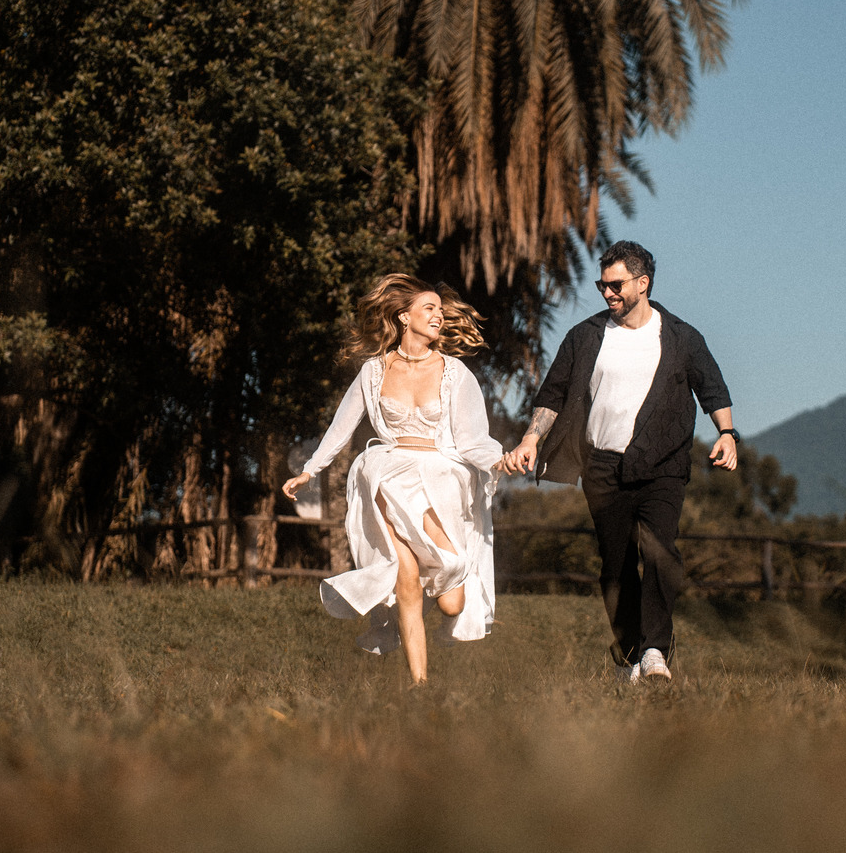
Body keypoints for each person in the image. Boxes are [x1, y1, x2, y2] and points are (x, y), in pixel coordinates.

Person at [500, 241, 737, 684]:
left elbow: (712, 387)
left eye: (616, 284)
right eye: (602, 285)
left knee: (661, 552)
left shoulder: (681, 337)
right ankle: (628, 656)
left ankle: (654, 651)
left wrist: (727, 433)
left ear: (642, 283)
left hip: (663, 464)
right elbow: (553, 393)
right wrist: (531, 438)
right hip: (603, 467)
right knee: (616, 564)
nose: (607, 292)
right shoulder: (586, 336)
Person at [282, 275, 503, 686]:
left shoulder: (454, 372)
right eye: (429, 308)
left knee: (452, 603)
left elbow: (473, 438)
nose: (439, 316)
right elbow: (342, 427)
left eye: (440, 310)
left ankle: (446, 611)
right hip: (387, 478)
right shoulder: (374, 371)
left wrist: (500, 460)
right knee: (407, 584)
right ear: (404, 317)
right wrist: (310, 470)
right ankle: (420, 684)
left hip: (439, 481)